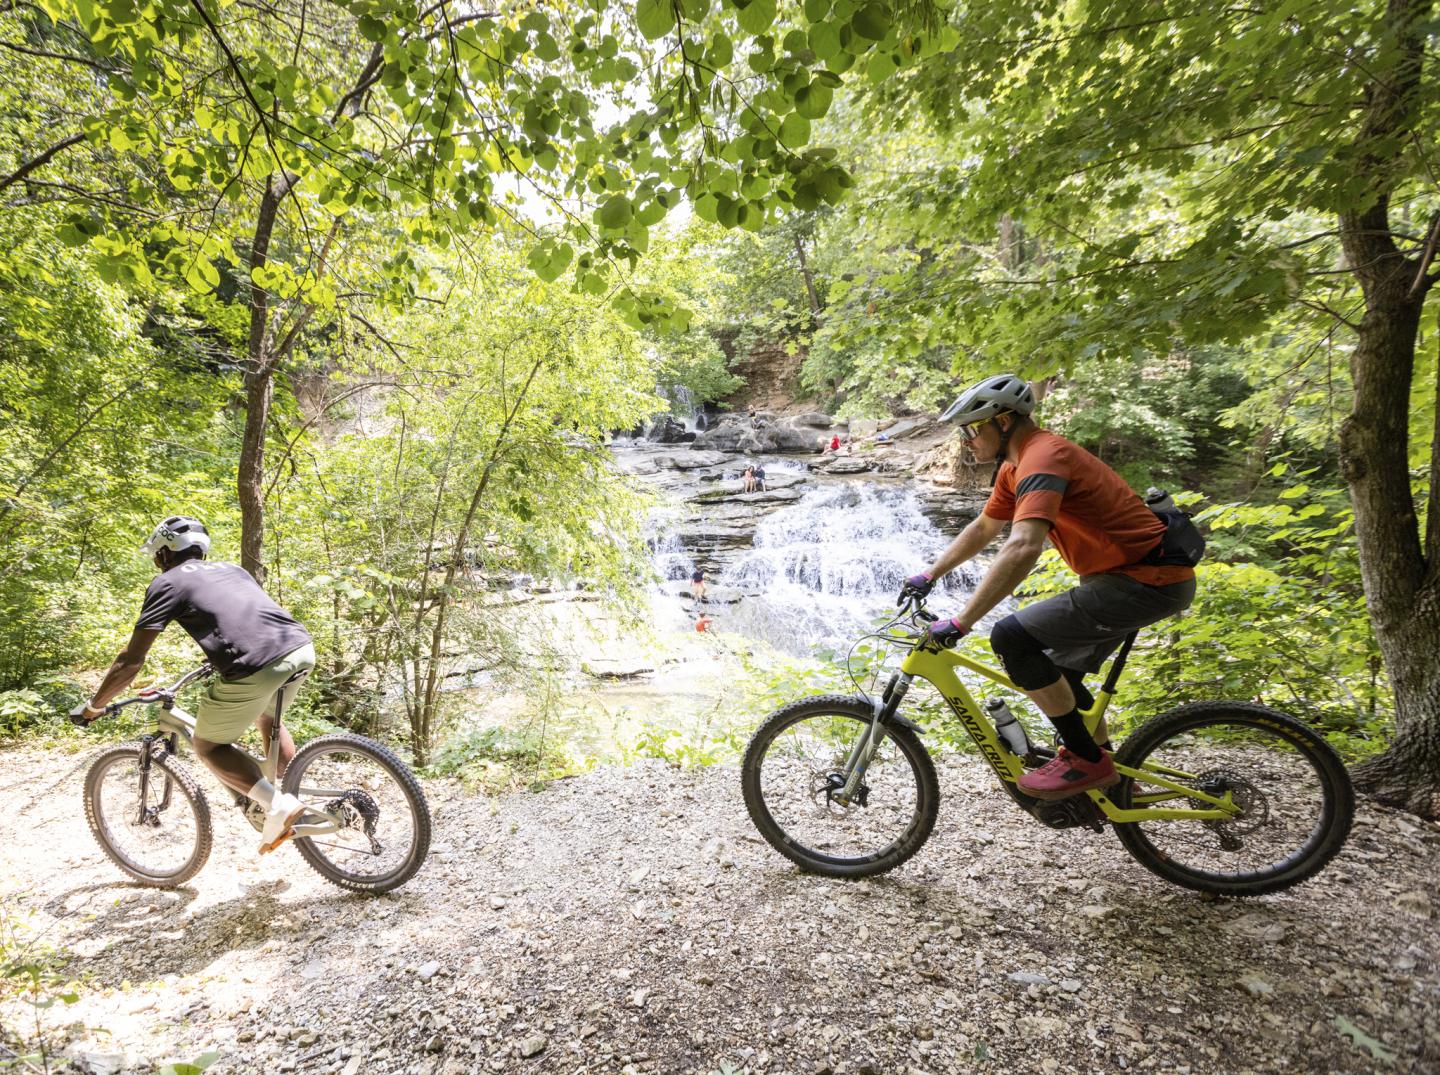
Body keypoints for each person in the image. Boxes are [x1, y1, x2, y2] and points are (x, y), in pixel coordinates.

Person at [899, 374, 1196, 801]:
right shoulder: (1015, 467)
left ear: (1003, 422)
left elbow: (1023, 546)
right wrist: (930, 574)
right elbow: (985, 527)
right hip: (1126, 579)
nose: (966, 440)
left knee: (1011, 638)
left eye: (971, 428)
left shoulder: (1044, 457)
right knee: (1059, 673)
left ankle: (1086, 761)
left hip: (1144, 580)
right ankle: (1106, 782)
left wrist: (962, 622)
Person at [70, 516, 318, 854]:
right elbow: (242, 616)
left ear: (164, 553)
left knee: (209, 746)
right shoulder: (232, 570)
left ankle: (278, 806)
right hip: (300, 647)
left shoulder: (167, 582)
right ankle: (299, 797)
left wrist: (94, 706)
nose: (157, 561)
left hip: (256, 665)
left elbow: (130, 660)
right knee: (266, 717)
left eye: (156, 554)